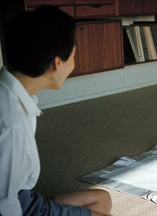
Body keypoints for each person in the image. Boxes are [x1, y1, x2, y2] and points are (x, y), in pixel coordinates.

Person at [0, 6, 112, 216]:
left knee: (102, 199)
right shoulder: (11, 124)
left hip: (26, 197)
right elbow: (5, 206)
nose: (73, 64)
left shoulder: (12, 91)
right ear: (57, 63)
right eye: (73, 57)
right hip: (20, 207)